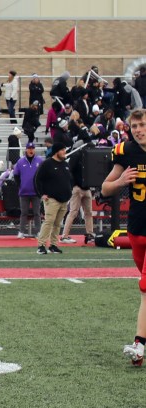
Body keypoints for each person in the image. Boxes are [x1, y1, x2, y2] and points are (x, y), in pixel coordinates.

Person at [101, 108, 146, 367]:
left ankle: (138, 344)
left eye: (142, 125)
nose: (138, 130)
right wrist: (121, 182)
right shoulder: (125, 151)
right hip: (136, 230)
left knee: (144, 287)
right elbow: (106, 187)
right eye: (135, 126)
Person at [34, 143, 73, 254]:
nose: (64, 152)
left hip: (64, 199)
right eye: (62, 150)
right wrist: (41, 194)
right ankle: (41, 245)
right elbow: (37, 179)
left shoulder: (65, 164)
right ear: (56, 151)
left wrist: (69, 191)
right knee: (49, 221)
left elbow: (69, 179)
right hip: (52, 199)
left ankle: (53, 245)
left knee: (57, 223)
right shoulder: (47, 164)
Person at [59, 144, 95, 244]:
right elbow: (69, 170)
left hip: (86, 188)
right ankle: (64, 236)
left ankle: (90, 234)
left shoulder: (89, 158)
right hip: (78, 187)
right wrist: (73, 184)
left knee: (88, 212)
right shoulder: (77, 156)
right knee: (73, 212)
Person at [13, 141, 43, 238]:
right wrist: (20, 185)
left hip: (36, 192)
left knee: (37, 213)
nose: (31, 150)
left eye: (32, 148)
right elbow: (16, 175)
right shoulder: (21, 161)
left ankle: (39, 231)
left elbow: (44, 174)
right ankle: (21, 231)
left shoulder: (39, 160)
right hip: (24, 192)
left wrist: (40, 187)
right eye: (29, 148)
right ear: (26, 149)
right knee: (24, 213)